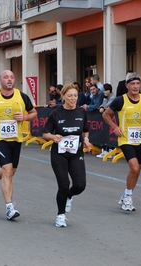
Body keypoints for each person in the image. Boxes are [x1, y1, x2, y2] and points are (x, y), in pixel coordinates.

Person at [0, 70, 37, 220]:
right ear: (0, 81)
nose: (9, 80)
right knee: (8, 170)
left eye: (12, 77)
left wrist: (24, 117)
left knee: (10, 171)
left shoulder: (21, 96)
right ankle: (9, 208)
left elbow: (34, 113)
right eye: (6, 77)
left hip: (16, 139)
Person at [102, 72, 141, 211]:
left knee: (137, 170)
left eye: (137, 84)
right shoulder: (120, 100)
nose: (135, 86)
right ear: (127, 85)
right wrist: (115, 127)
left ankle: (126, 195)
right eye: (132, 84)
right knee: (133, 168)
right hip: (126, 138)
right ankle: (128, 197)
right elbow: (105, 114)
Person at [42, 83, 91, 227]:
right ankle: (60, 215)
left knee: (80, 185)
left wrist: (86, 140)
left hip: (76, 153)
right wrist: (53, 137)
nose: (73, 98)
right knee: (63, 185)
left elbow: (85, 130)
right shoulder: (56, 113)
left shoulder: (81, 112)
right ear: (63, 96)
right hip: (59, 153)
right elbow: (45, 133)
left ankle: (69, 195)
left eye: (75, 95)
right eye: (69, 95)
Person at [97, 83, 116, 159]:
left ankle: (110, 150)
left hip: (112, 117)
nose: (105, 92)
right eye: (104, 90)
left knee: (110, 134)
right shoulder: (105, 97)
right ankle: (105, 150)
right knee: (105, 133)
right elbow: (103, 104)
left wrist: (103, 108)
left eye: (106, 90)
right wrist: (101, 107)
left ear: (109, 90)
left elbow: (109, 105)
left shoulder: (113, 97)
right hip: (105, 117)